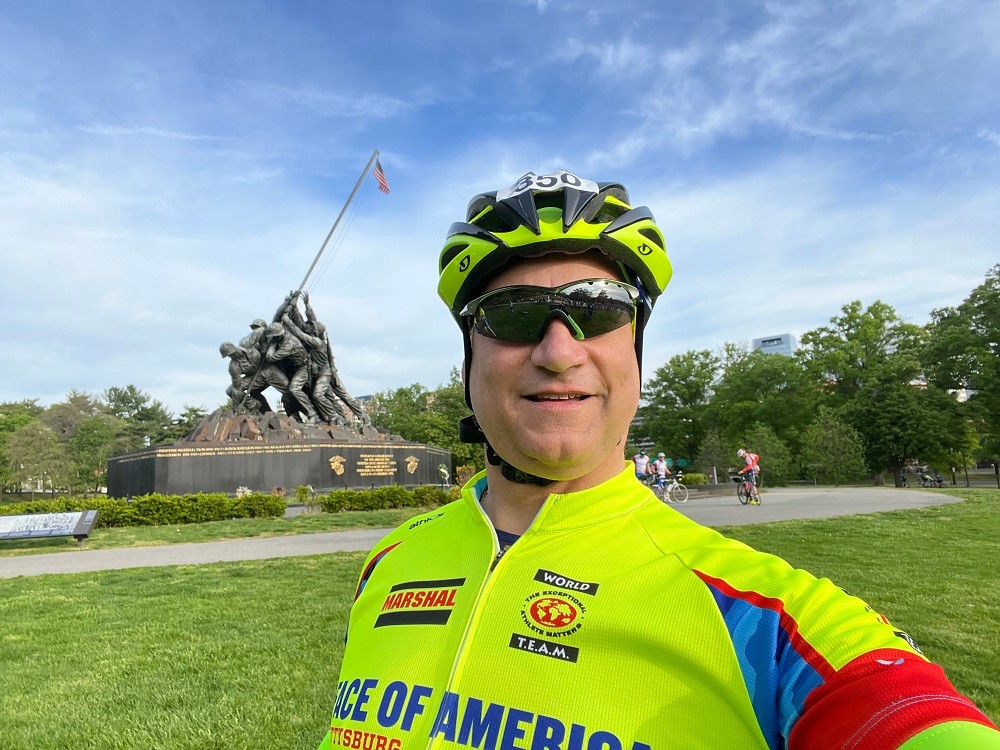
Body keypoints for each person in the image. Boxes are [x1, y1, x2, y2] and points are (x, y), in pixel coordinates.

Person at [316, 171, 999, 749]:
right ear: (468, 362)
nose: (558, 351)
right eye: (514, 316)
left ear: (636, 354)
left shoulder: (766, 620)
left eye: (599, 309)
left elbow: (899, 713)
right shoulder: (389, 561)